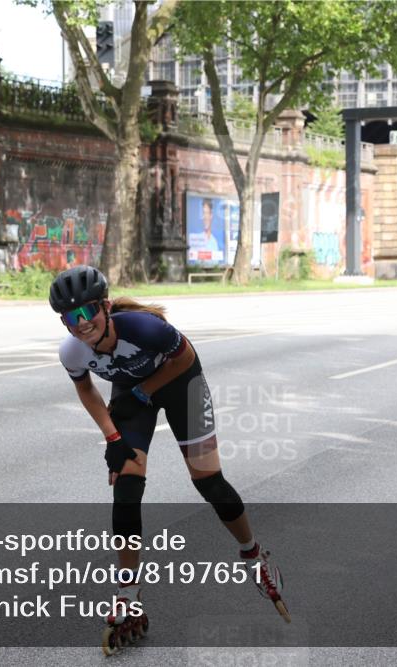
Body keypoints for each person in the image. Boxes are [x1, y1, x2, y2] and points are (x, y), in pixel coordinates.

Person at [50, 265, 287, 643]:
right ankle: (128, 592)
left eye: (86, 312)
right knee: (126, 487)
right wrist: (113, 439)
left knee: (208, 482)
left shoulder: (144, 328)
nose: (80, 324)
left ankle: (254, 556)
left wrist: (146, 392)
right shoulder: (72, 351)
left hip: (181, 383)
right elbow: (87, 392)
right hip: (132, 394)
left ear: (106, 306)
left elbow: (186, 357)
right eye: (69, 318)